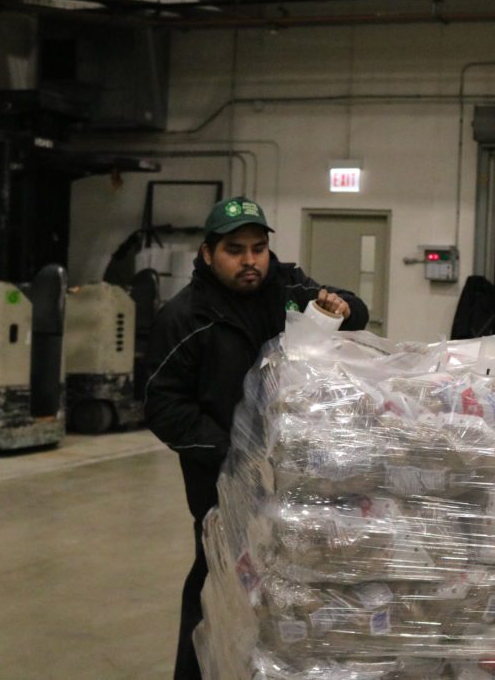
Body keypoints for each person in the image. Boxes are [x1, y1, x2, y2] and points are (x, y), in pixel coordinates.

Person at [144, 196, 368, 679]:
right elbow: (163, 405)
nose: (250, 260)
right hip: (221, 483)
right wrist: (234, 454)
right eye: (235, 250)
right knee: (217, 583)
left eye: (258, 248)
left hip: (298, 476)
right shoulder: (184, 318)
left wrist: (342, 306)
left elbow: (357, 312)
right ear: (207, 254)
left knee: (294, 584)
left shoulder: (288, 288)